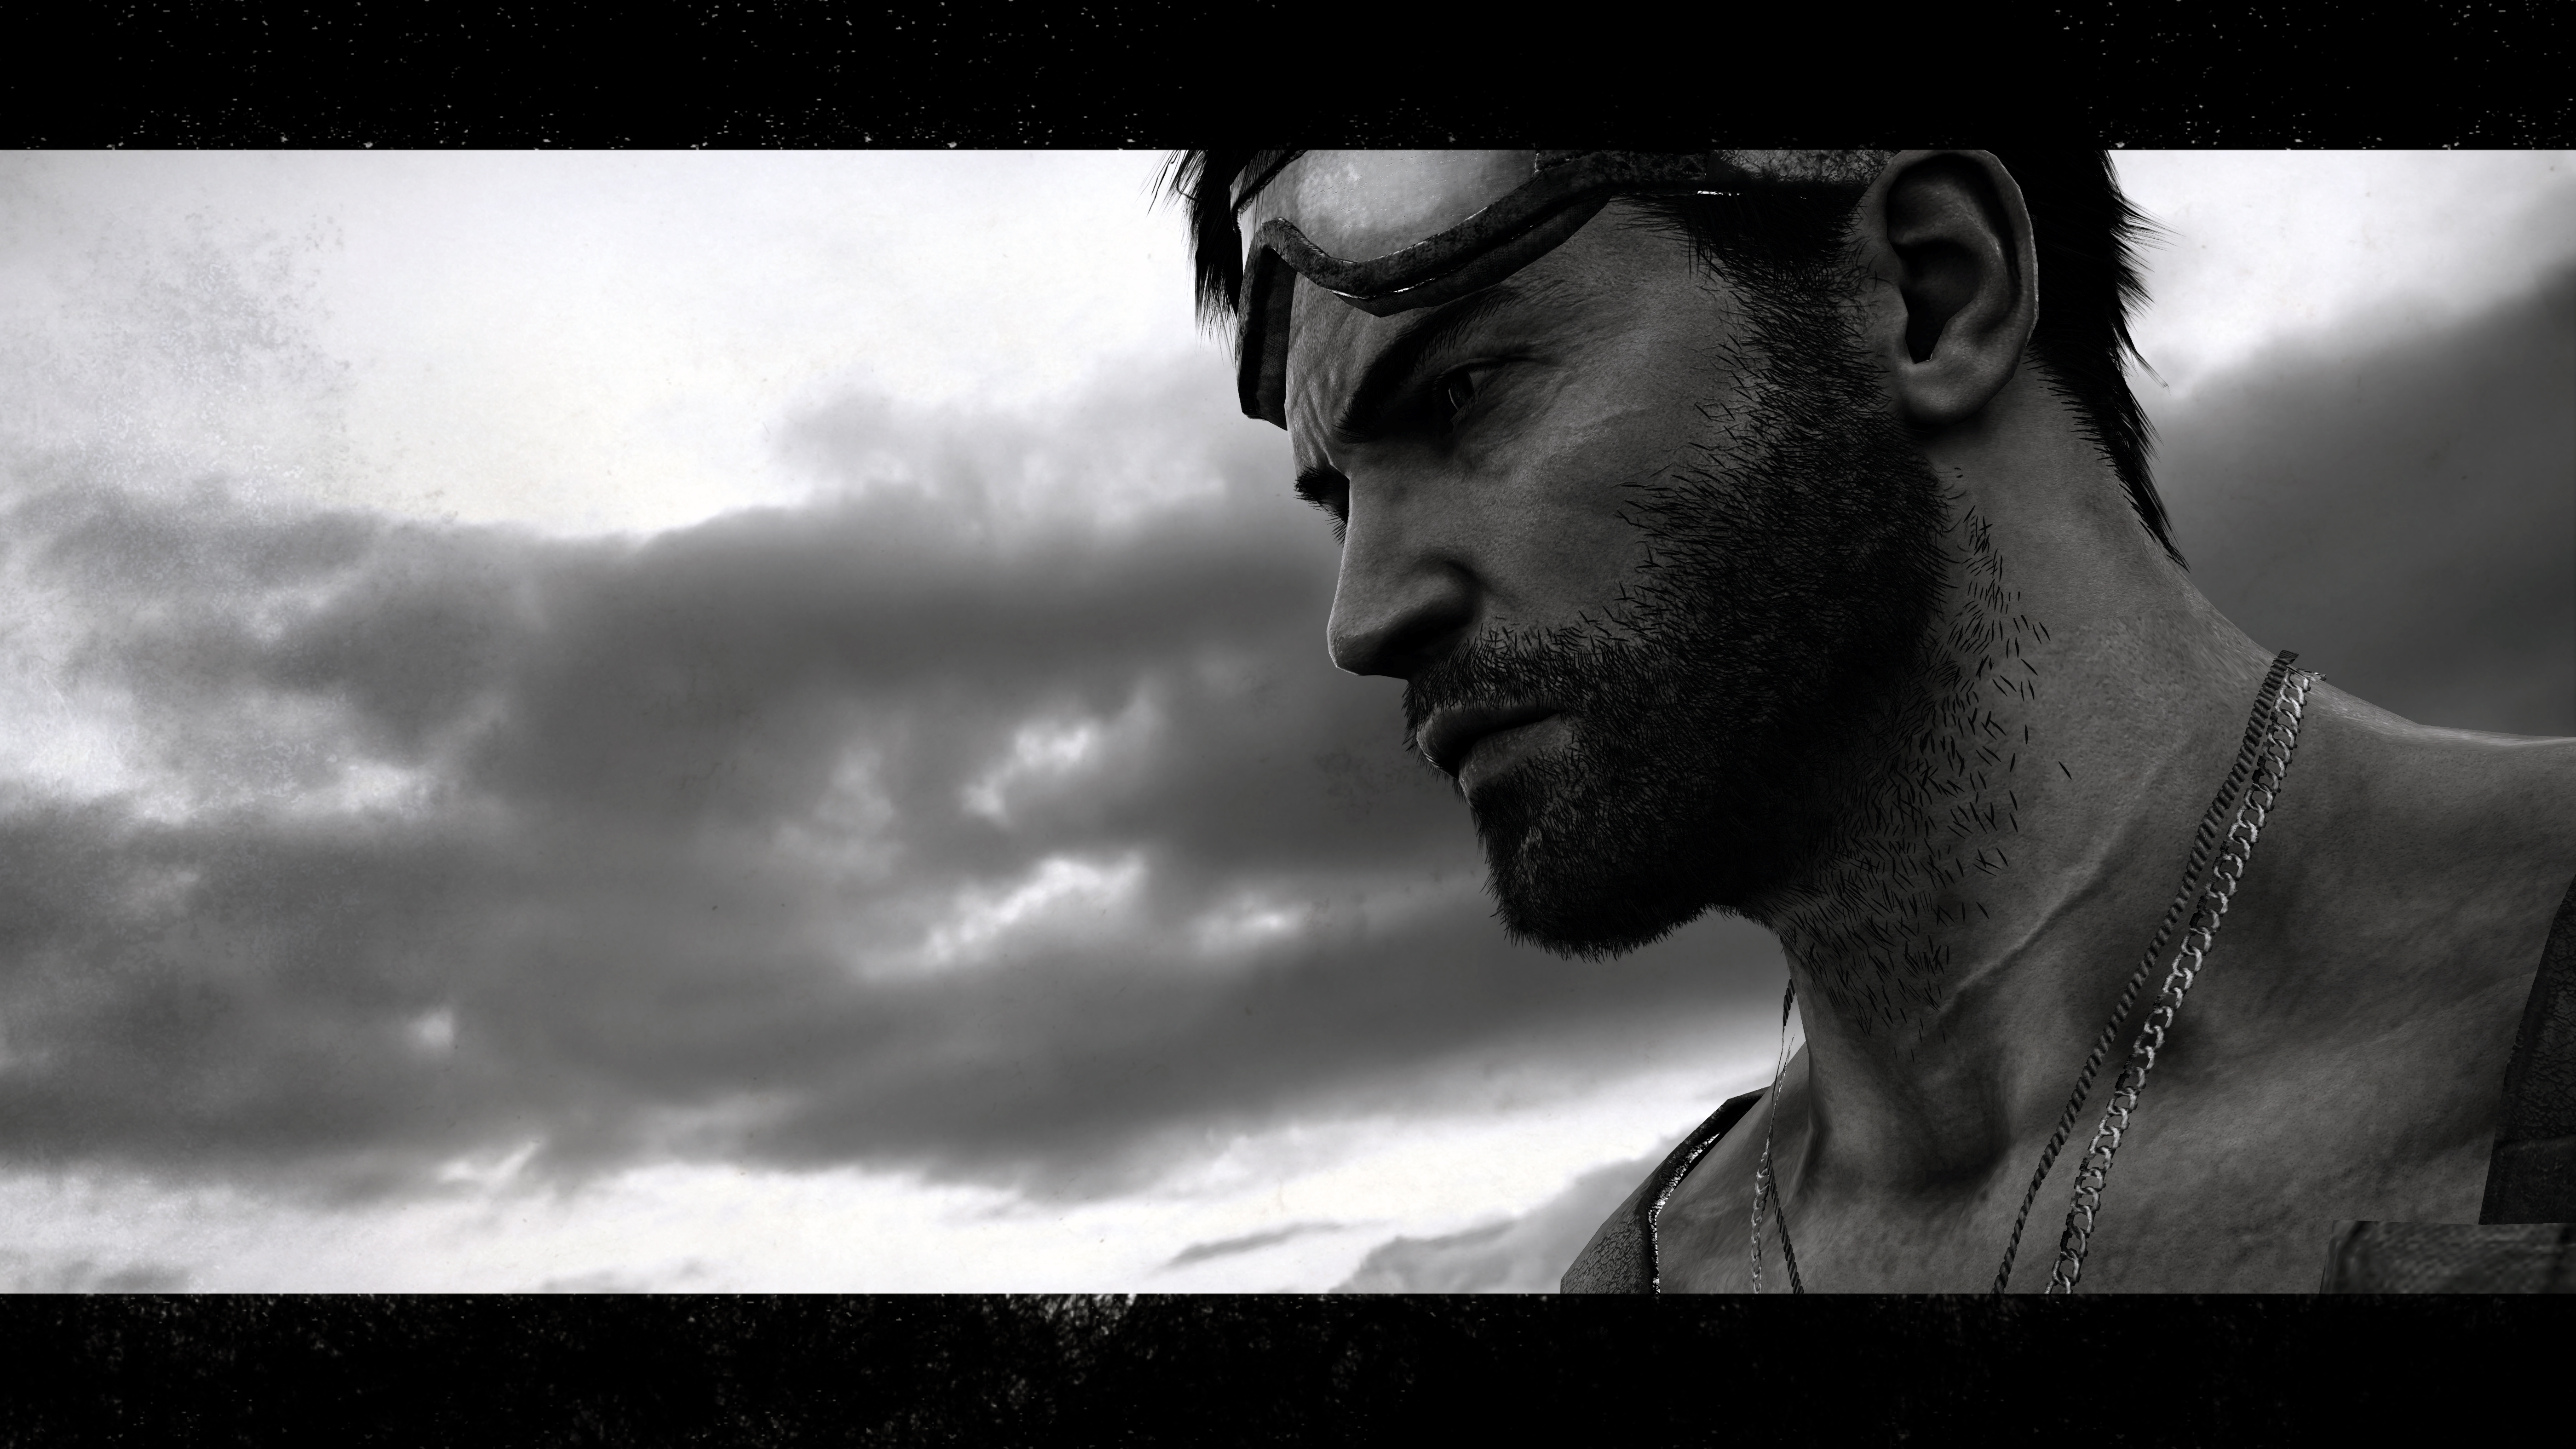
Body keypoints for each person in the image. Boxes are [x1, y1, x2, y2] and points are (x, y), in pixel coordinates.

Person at [1167, 150, 2576, 1293]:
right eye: (1341, 501)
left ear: (1929, 292)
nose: (1361, 619)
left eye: (1460, 395)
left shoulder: (2527, 980)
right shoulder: (1653, 1277)